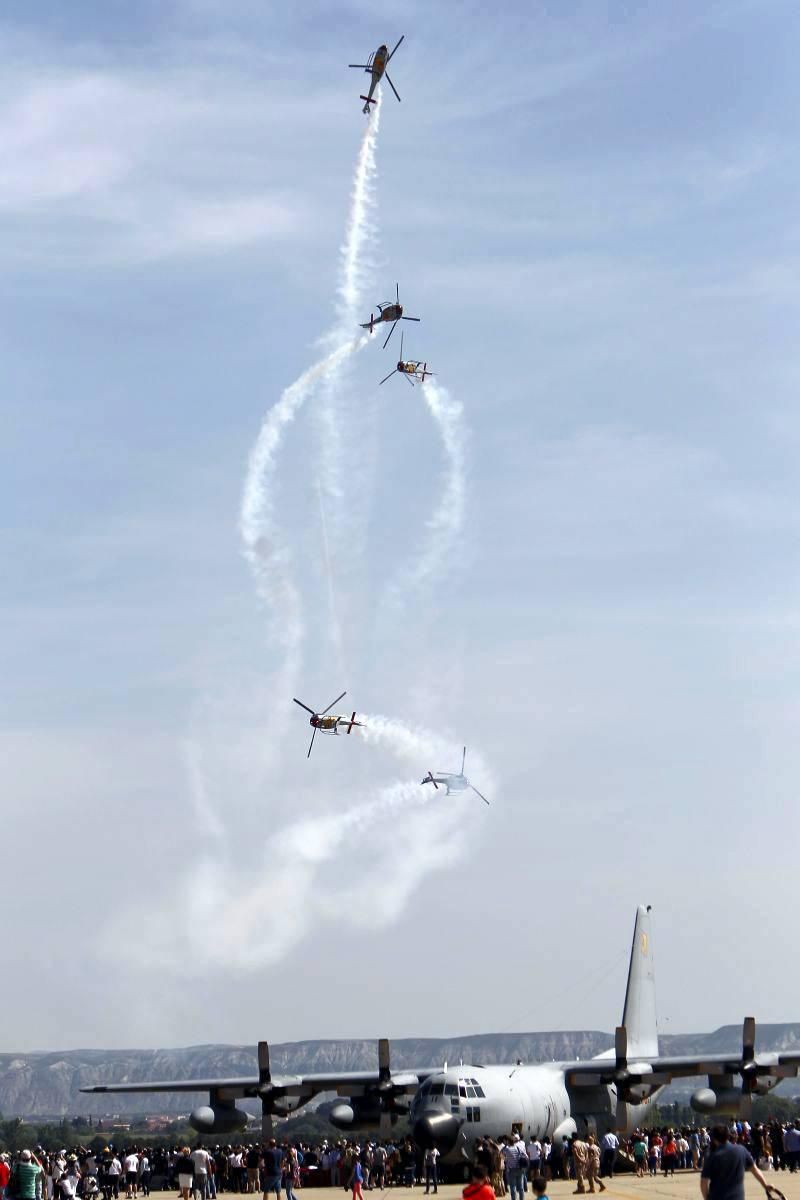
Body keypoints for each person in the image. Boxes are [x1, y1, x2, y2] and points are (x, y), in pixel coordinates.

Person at [701, 1124, 775, 1200]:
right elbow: (755, 1170)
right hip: (737, 1197)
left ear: (714, 1139)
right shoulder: (741, 1150)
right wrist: (765, 1185)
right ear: (728, 1136)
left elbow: (704, 1182)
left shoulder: (712, 1156)